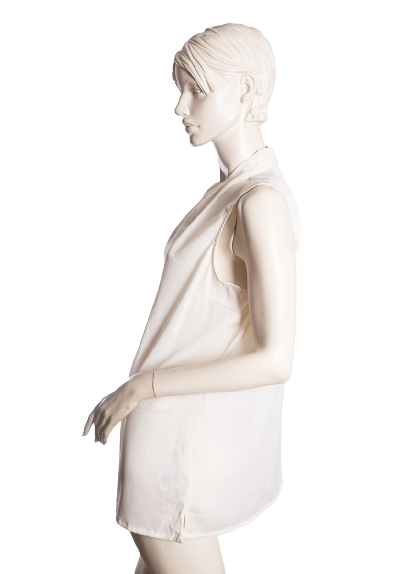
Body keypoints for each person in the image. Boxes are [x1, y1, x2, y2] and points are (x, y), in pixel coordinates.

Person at [83, 23, 301, 574]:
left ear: (246, 90)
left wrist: (140, 386)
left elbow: (276, 360)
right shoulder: (229, 191)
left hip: (182, 456)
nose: (180, 107)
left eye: (197, 90)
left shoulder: (259, 202)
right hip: (170, 443)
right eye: (180, 89)